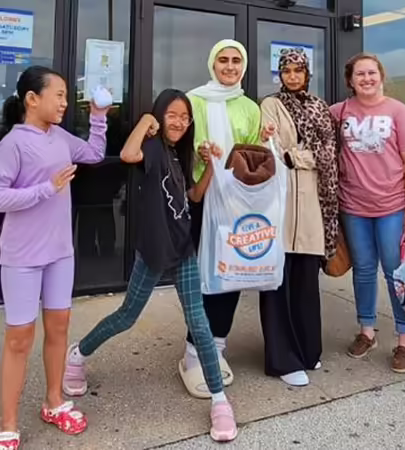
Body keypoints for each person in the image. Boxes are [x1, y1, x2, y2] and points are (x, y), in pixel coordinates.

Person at [63, 89, 238, 442]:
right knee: (127, 315)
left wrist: (213, 167)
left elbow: (194, 196)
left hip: (183, 250)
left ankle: (220, 401)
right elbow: (128, 153)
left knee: (199, 323)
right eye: (171, 115)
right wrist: (146, 120)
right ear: (160, 116)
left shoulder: (176, 154)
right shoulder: (154, 149)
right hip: (154, 252)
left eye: (184, 117)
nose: (178, 122)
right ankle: (77, 354)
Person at [0, 66, 109, 450]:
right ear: (32, 99)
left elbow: (95, 153)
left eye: (66, 95)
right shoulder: (13, 143)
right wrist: (46, 189)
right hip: (22, 256)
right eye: (58, 95)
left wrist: (98, 117)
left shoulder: (60, 137)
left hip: (61, 253)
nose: (65, 102)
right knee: (18, 339)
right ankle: (8, 421)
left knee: (59, 328)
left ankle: (54, 401)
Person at [178, 39, 269, 398]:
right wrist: (200, 151)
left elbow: (252, 154)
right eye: (223, 60)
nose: (230, 67)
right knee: (200, 277)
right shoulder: (193, 100)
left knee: (230, 275)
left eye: (236, 61)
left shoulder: (249, 107)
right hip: (201, 199)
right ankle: (191, 352)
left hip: (237, 202)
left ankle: (216, 347)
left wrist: (264, 145)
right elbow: (180, 141)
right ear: (211, 64)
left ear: (243, 67)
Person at [329, 52, 405, 373]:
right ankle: (367, 331)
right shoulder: (339, 112)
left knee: (396, 273)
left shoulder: (399, 112)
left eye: (372, 73)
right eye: (360, 74)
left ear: (381, 76)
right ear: (350, 81)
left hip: (392, 207)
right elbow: (309, 124)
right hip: (353, 207)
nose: (366, 79)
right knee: (364, 270)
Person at [259, 48, 339, 386]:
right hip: (282, 202)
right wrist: (301, 155)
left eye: (298, 70)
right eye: (286, 71)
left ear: (307, 74)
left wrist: (299, 155)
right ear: (280, 75)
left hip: (314, 207)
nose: (292, 76)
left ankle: (308, 351)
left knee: (306, 282)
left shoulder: (320, 107)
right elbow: (274, 151)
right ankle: (281, 359)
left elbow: (329, 152)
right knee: (277, 283)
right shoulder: (270, 105)